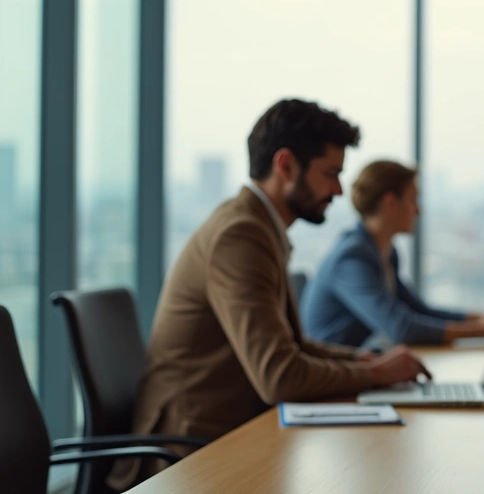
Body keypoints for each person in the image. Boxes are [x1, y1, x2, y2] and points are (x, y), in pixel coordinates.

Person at [112, 100, 430, 487]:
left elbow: (292, 346)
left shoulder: (257, 227)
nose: (339, 189)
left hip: (228, 436)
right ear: (285, 166)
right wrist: (373, 372)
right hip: (188, 458)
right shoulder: (240, 236)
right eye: (330, 173)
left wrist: (362, 359)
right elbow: (279, 375)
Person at [301, 160, 484, 347]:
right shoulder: (351, 258)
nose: (418, 211)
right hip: (333, 378)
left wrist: (483, 319)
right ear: (390, 202)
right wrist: (482, 330)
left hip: (359, 361)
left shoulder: (384, 252)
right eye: (413, 200)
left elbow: (418, 311)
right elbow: (401, 329)